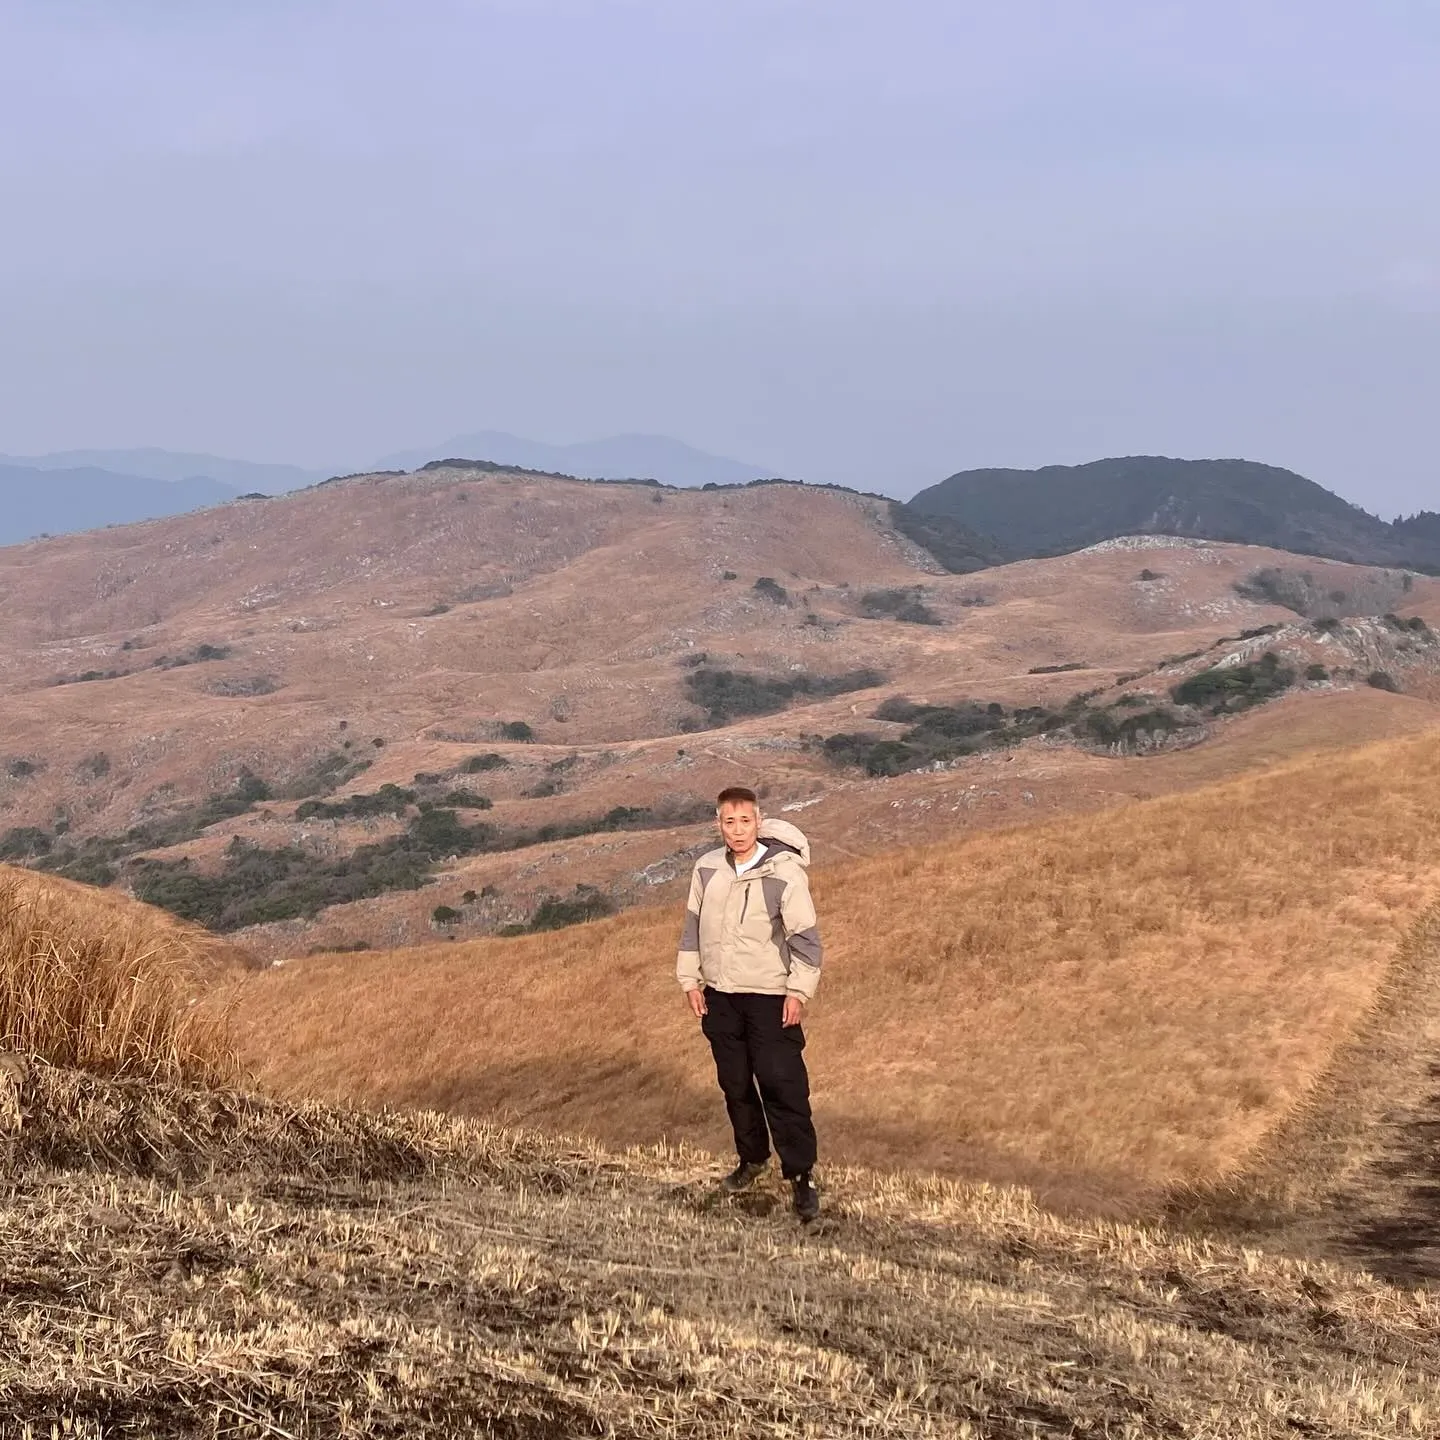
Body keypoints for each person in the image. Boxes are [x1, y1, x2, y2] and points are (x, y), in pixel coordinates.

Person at [676, 785, 823, 1220]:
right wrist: (690, 980)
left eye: (745, 821)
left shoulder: (784, 873)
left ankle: (801, 1176)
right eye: (729, 822)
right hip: (720, 996)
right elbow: (692, 928)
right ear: (718, 824)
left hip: (770, 997)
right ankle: (752, 1159)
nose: (738, 831)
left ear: (759, 822)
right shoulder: (706, 869)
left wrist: (798, 991)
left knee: (782, 1083)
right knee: (735, 1084)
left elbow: (806, 941)